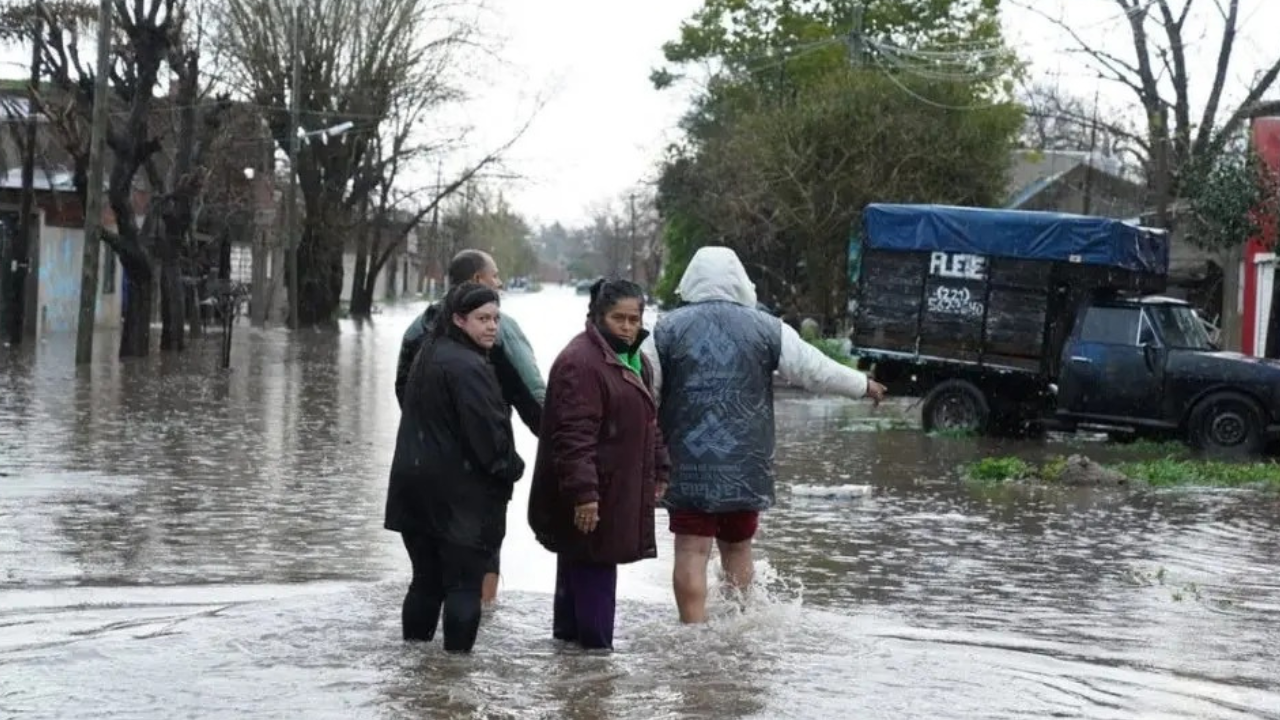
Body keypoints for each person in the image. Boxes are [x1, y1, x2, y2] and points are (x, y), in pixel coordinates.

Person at [641, 246, 888, 624]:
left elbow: (645, 390)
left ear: (691, 279)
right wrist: (861, 384)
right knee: (738, 547)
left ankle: (692, 632)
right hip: (746, 462)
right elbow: (813, 370)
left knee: (691, 549)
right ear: (740, 280)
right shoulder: (768, 328)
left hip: (686, 461)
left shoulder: (665, 329)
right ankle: (740, 627)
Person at [527, 279, 670, 650]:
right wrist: (585, 495)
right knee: (594, 569)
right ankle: (594, 675)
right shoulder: (582, 363)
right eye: (617, 318)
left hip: (613, 487)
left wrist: (661, 467)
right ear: (597, 316)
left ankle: (573, 671)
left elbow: (648, 420)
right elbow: (573, 437)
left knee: (582, 567)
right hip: (593, 492)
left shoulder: (634, 358)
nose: (626, 326)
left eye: (633, 319)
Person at [395, 249, 544, 604]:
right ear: (477, 280)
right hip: (482, 467)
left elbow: (405, 392)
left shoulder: (418, 327)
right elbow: (533, 395)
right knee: (480, 562)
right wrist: (562, 446)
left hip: (422, 467)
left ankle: (424, 654)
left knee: (426, 574)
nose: (500, 282)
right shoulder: (500, 327)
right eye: (495, 275)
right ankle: (477, 638)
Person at [384, 282, 525, 652]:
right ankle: (454, 677)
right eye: (482, 319)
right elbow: (490, 440)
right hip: (458, 500)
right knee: (464, 586)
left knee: (425, 582)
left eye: (496, 318)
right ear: (459, 319)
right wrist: (514, 467)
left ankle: (415, 666)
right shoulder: (470, 367)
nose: (492, 326)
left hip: (412, 490)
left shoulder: (429, 353)